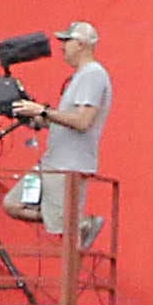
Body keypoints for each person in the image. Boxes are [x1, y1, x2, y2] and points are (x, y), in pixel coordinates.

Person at [26, 18, 108, 239]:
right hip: (53, 162)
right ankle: (79, 222)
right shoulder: (81, 76)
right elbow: (67, 119)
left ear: (81, 44)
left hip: (67, 166)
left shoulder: (92, 74)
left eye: (67, 41)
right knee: (15, 204)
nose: (62, 46)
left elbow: (82, 121)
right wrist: (35, 116)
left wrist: (43, 111)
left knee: (67, 235)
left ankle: (81, 223)